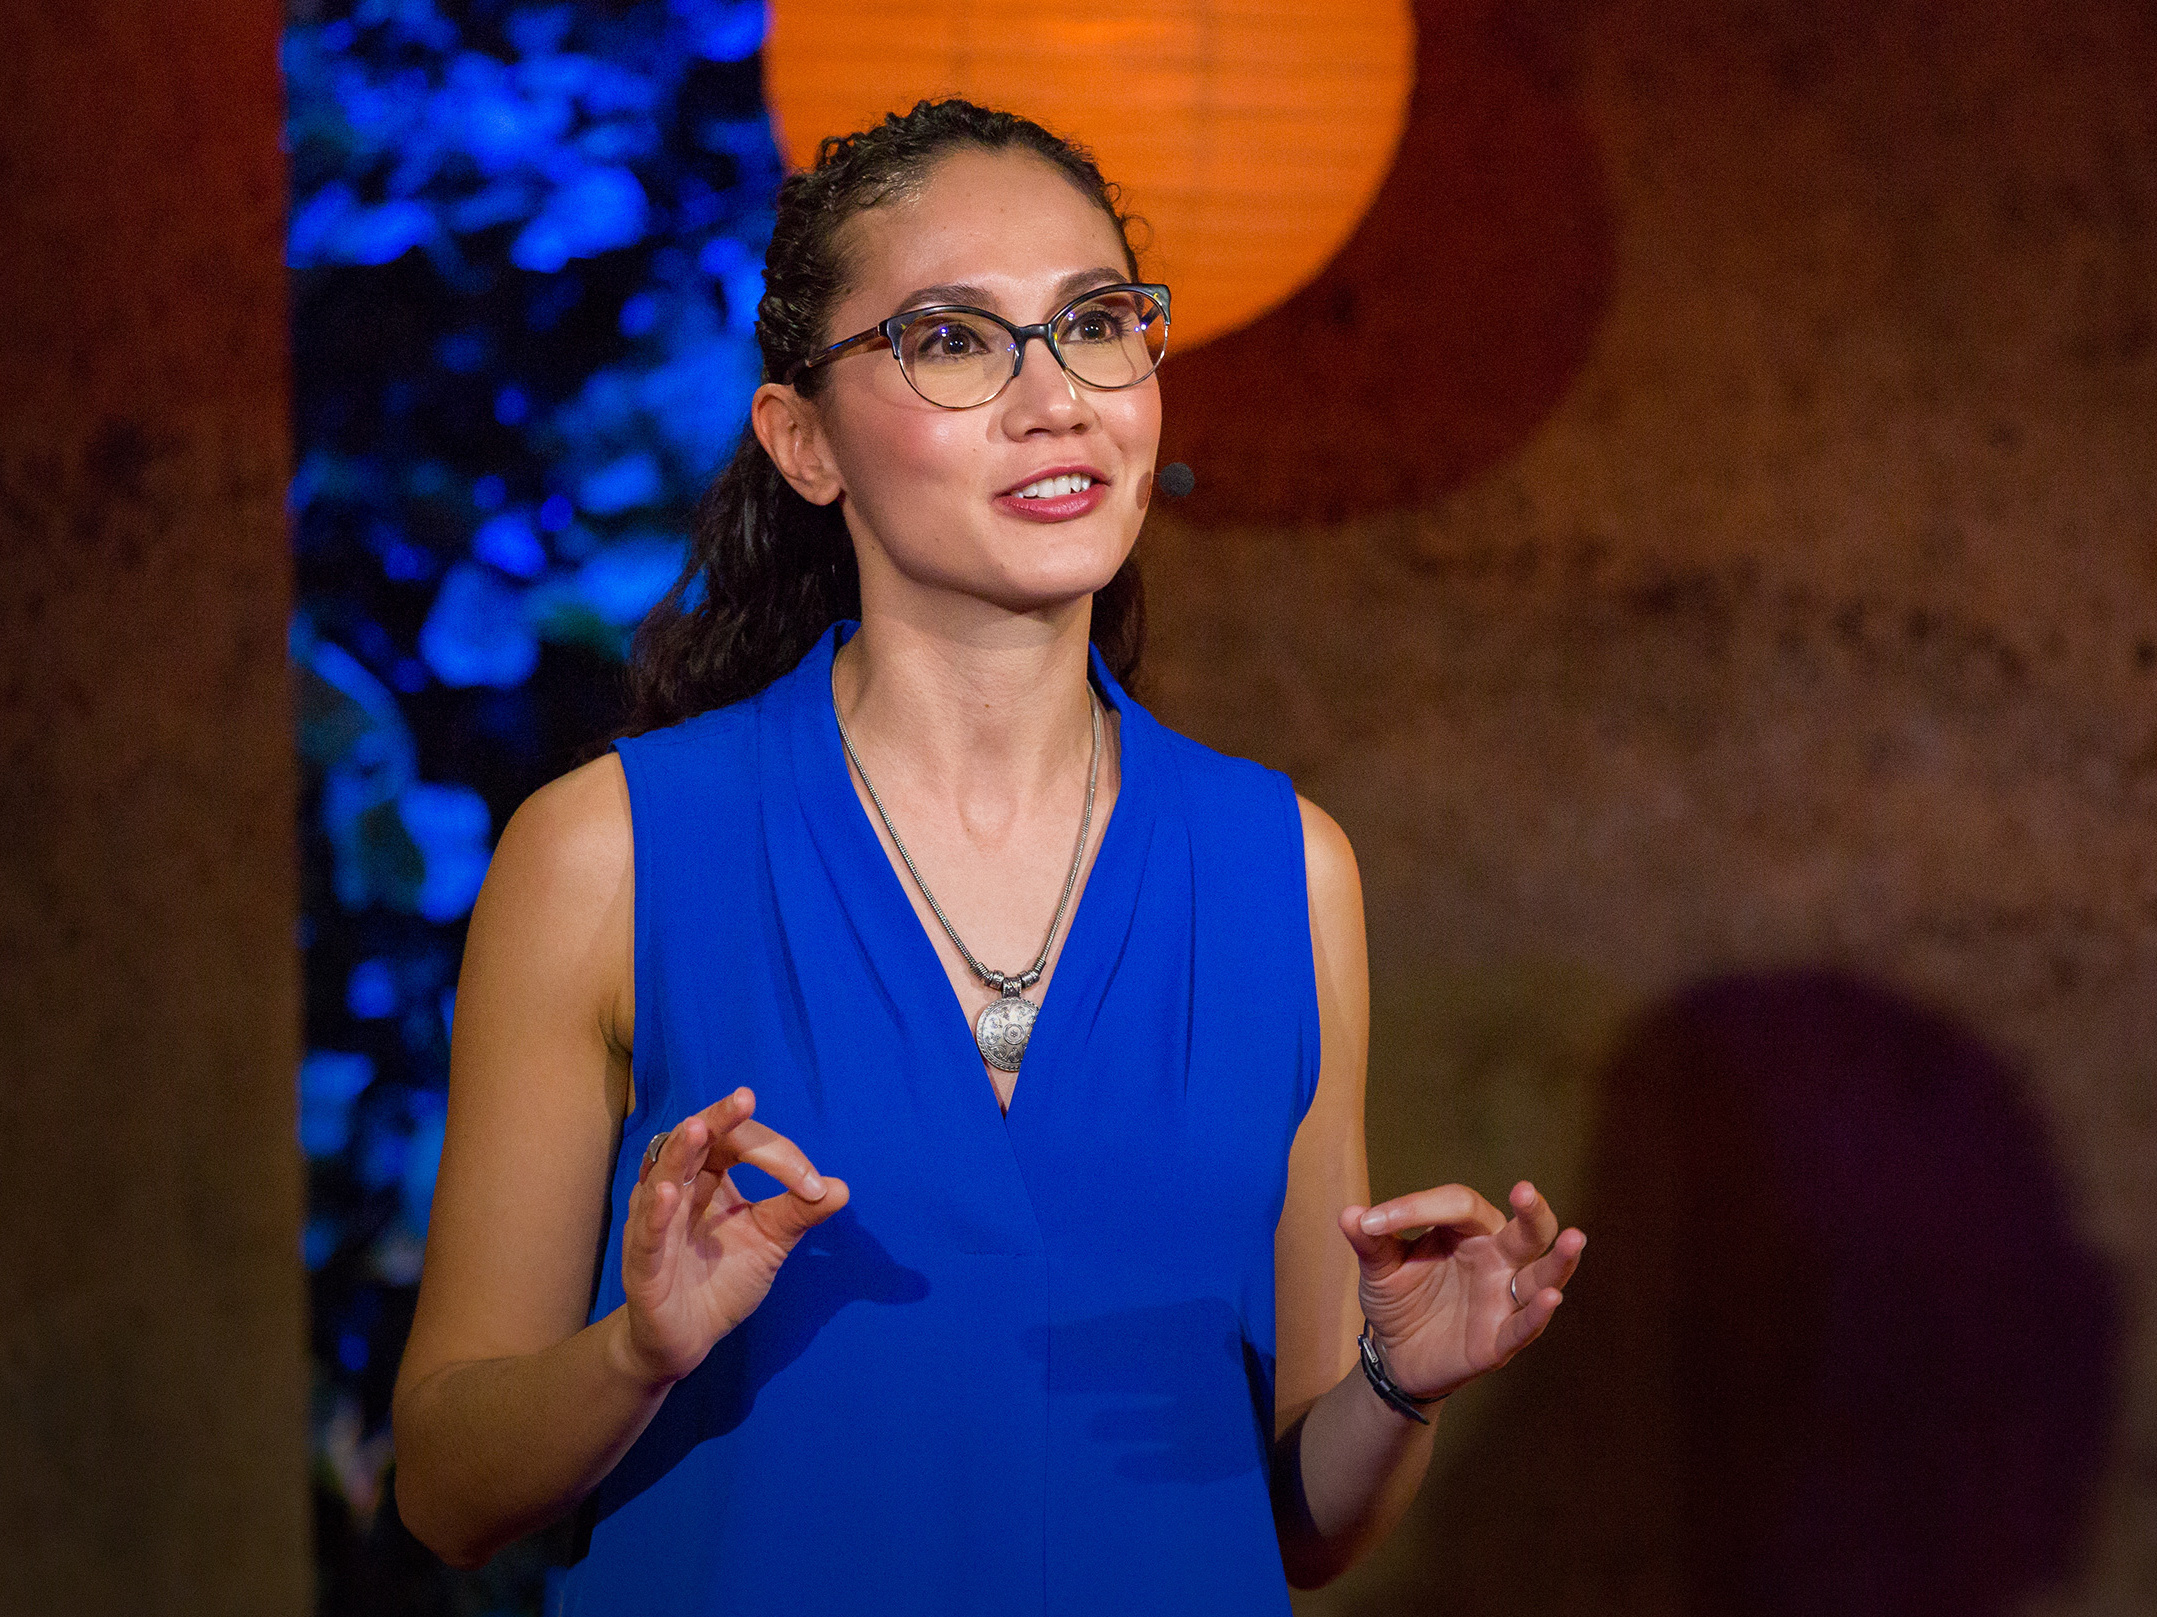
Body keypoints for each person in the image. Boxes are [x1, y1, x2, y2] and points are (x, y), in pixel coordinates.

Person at [390, 98, 1585, 1613]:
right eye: (954, 340)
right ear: (803, 441)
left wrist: (1395, 1385)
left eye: (1095, 323)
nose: (1057, 399)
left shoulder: (1283, 867)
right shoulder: (605, 854)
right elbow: (440, 1487)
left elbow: (1293, 1528)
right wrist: (637, 1350)